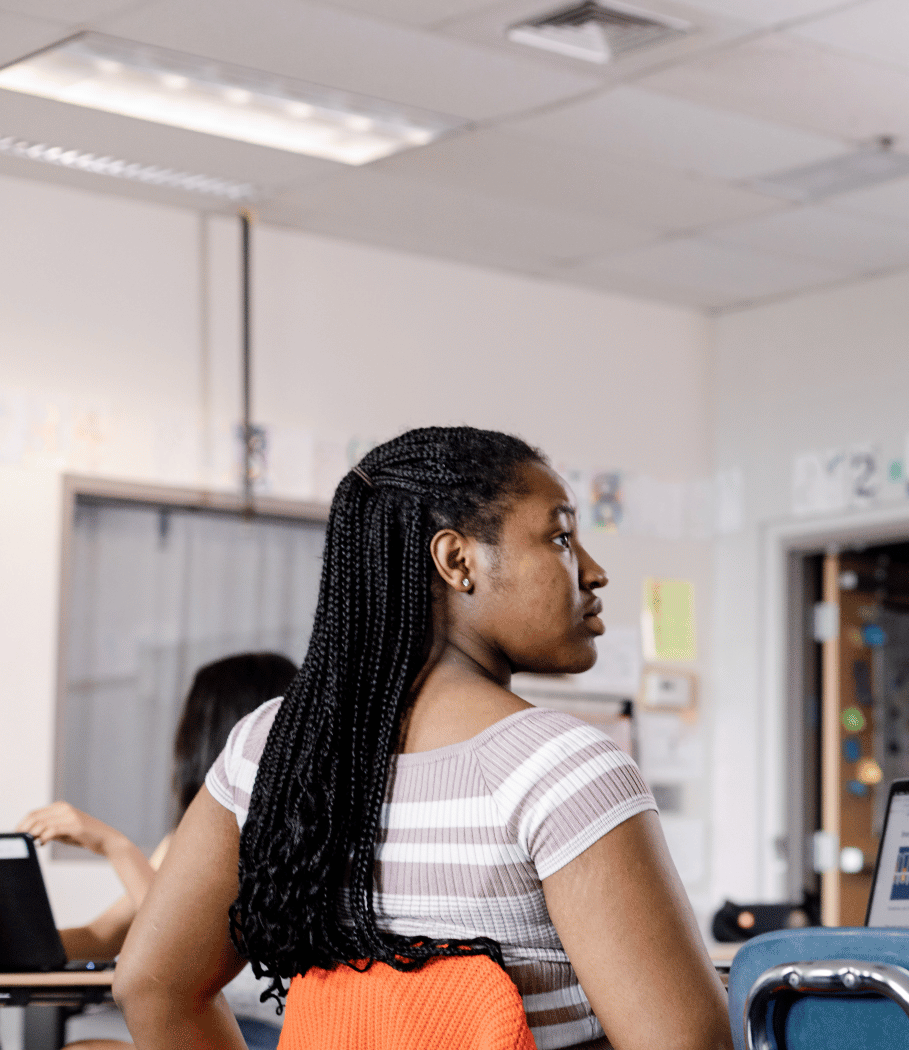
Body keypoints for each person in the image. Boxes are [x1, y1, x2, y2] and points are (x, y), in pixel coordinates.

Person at [114, 427, 730, 1050]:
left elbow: (152, 986)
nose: (593, 573)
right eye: (562, 537)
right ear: (457, 560)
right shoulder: (562, 766)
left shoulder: (267, 747)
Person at [15, 651, 298, 1050]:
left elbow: (170, 952)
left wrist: (116, 847)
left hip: (256, 1030)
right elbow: (104, 935)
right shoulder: (184, 843)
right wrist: (18, 941)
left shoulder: (286, 843)